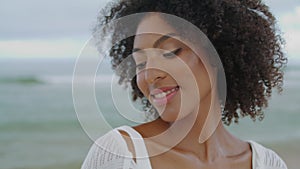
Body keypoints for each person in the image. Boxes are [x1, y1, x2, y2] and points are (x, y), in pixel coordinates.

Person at [81, 0, 288, 168]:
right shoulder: (122, 155)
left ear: (218, 53)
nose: (150, 75)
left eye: (170, 52)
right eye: (141, 63)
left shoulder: (267, 163)